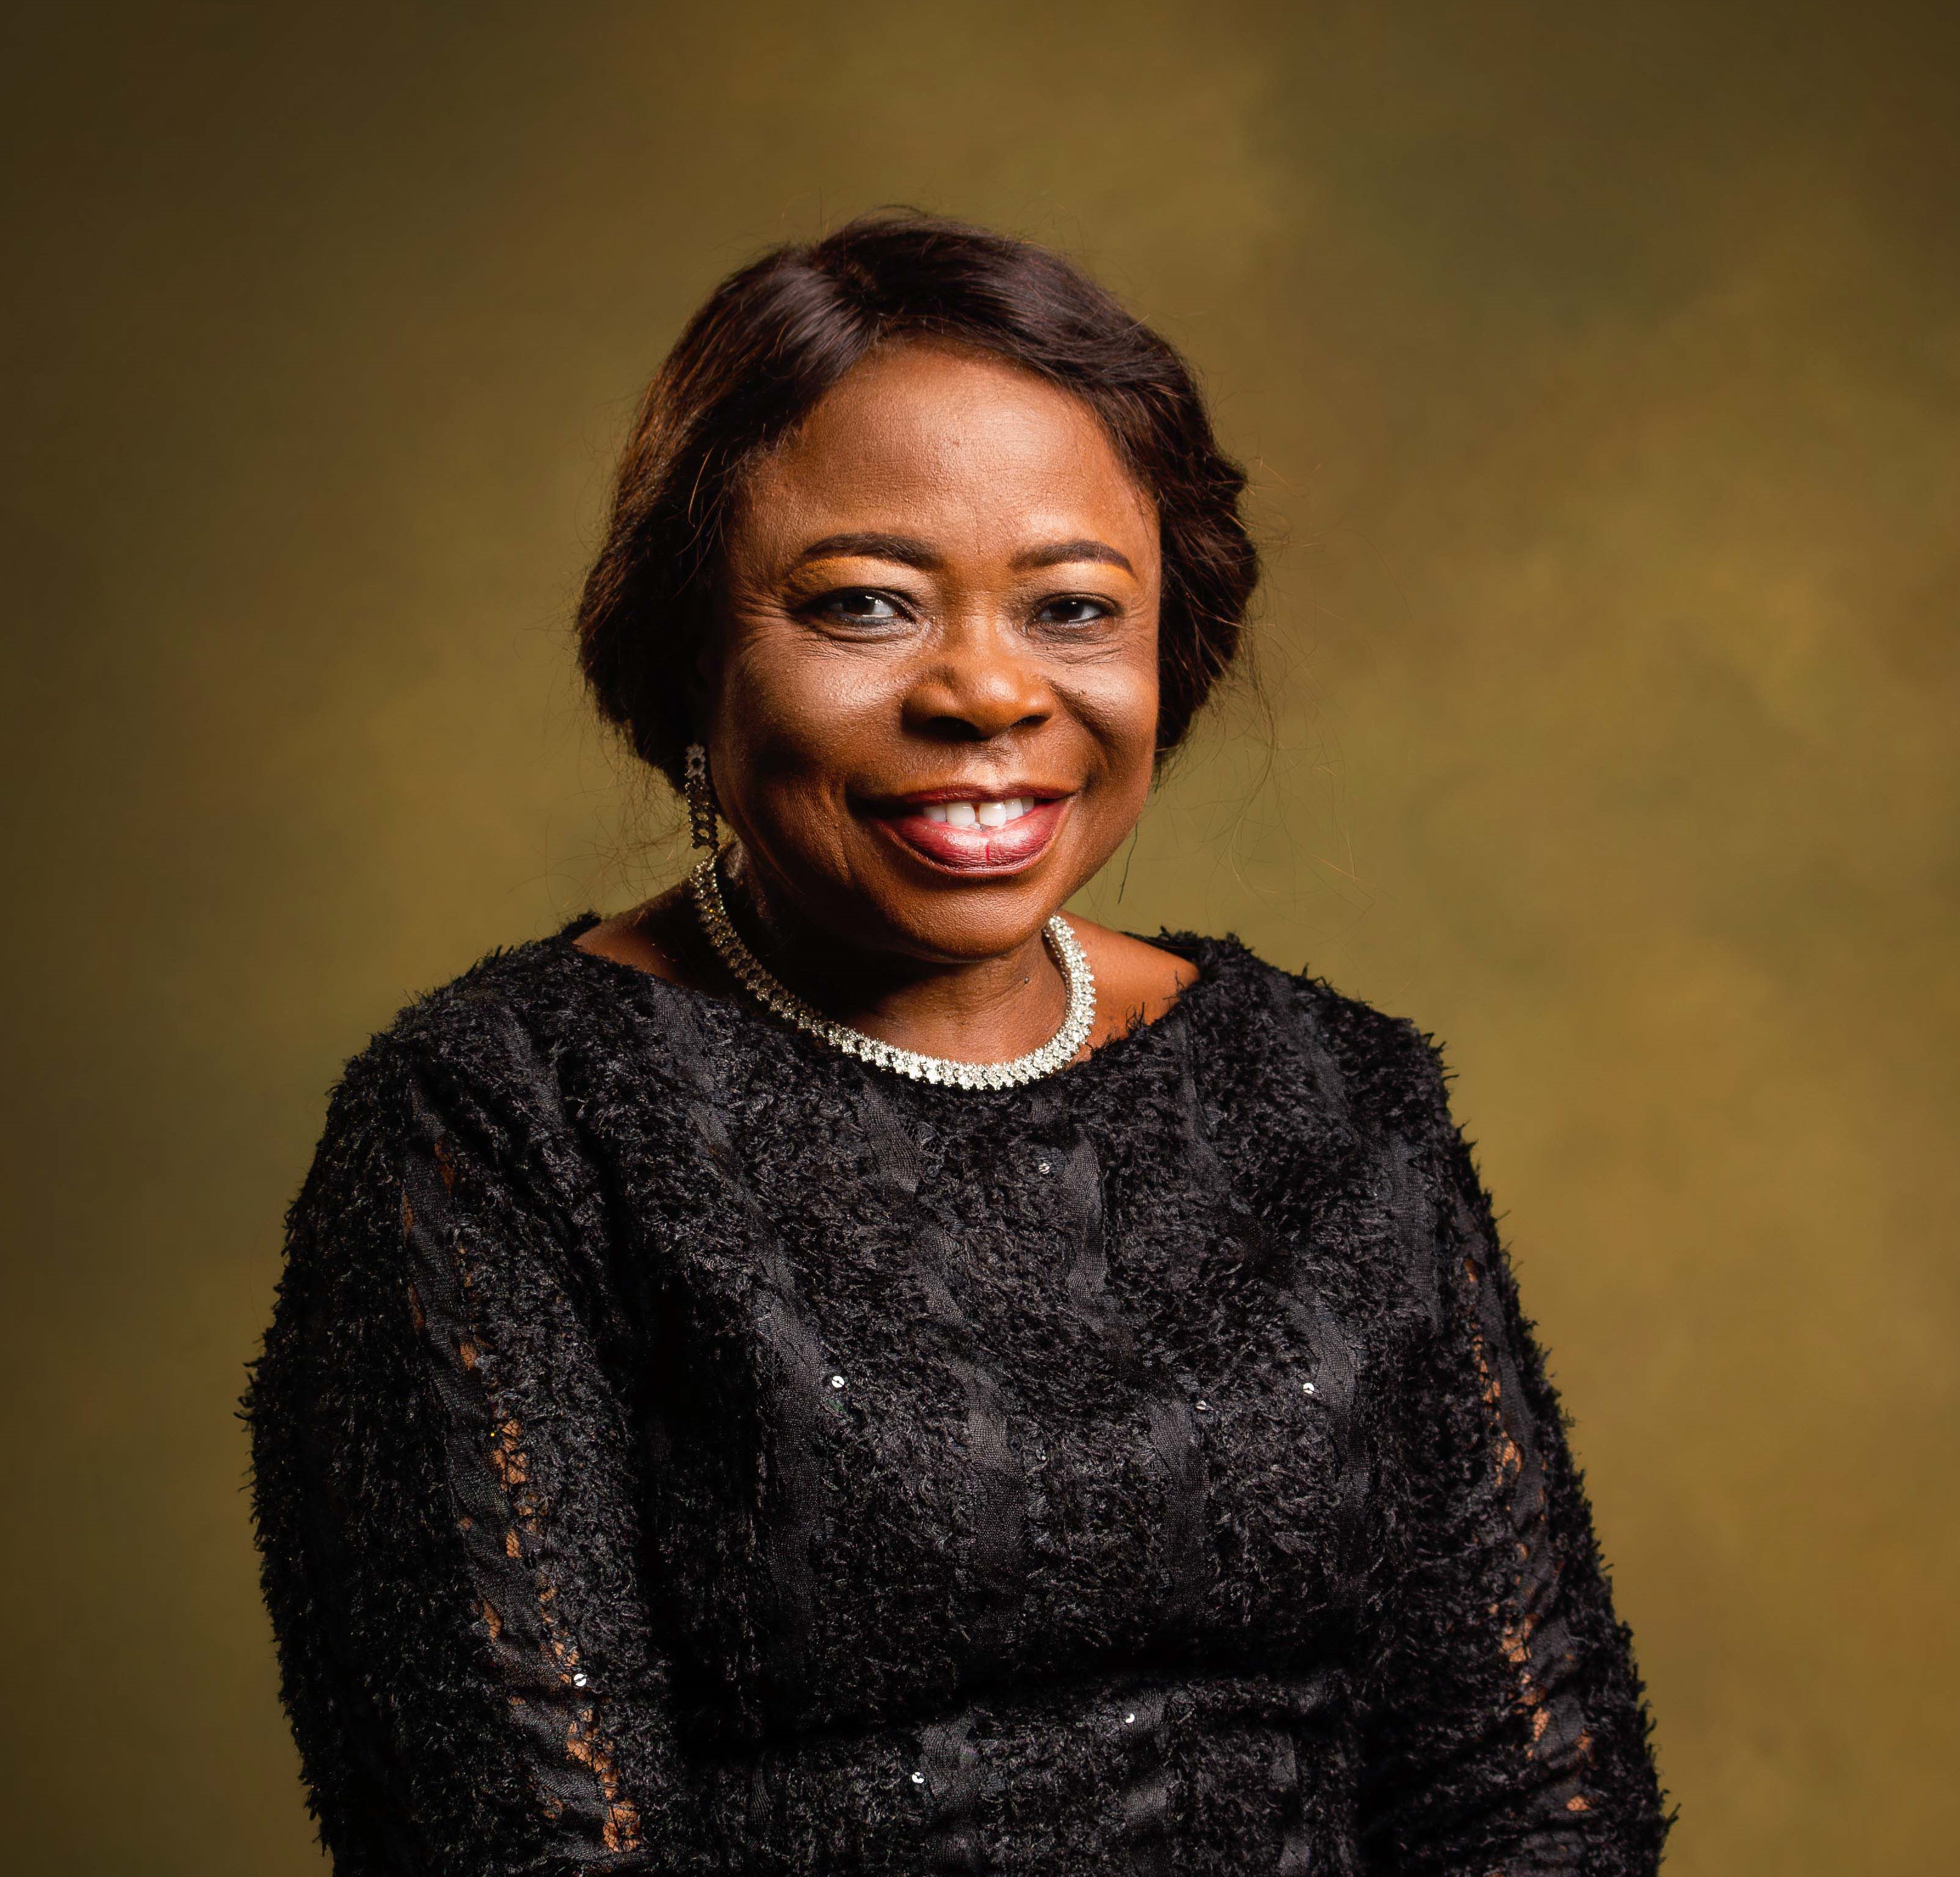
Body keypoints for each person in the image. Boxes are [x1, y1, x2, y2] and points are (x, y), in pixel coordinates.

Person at [245, 211, 1670, 1876]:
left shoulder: (1337, 1096)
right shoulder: (499, 1122)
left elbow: (1533, 1792)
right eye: (865, 605)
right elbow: (533, 1844)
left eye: (1071, 609)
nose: (988, 692)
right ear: (691, 650)